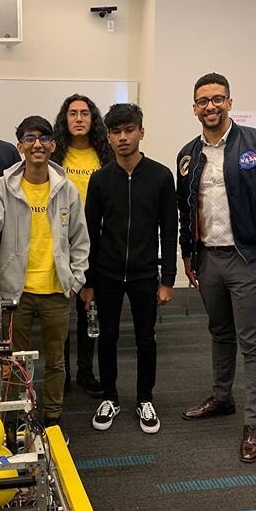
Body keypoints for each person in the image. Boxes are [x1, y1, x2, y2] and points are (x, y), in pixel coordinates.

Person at [177, 73, 256, 462]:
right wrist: (187, 254)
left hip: (248, 257)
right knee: (220, 332)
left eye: (217, 99)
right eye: (203, 100)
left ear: (230, 102)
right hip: (208, 258)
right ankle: (221, 397)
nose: (210, 106)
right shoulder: (187, 155)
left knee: (253, 342)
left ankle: (255, 423)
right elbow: (186, 211)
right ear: (194, 107)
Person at [0, 116, 89, 434]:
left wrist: (75, 280)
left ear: (52, 145)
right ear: (20, 146)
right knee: (14, 360)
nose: (37, 144)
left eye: (43, 138)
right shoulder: (3, 186)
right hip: (15, 292)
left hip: (57, 290)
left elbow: (80, 239)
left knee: (56, 360)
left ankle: (52, 419)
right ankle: (21, 416)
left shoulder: (66, 189)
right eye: (29, 138)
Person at [85, 103, 177, 435]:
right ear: (108, 137)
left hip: (143, 274)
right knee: (106, 338)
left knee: (145, 339)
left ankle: (144, 398)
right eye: (115, 132)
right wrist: (88, 281)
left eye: (128, 130)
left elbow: (169, 230)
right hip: (107, 274)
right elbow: (90, 233)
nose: (122, 138)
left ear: (141, 131)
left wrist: (168, 279)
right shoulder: (100, 180)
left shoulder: (161, 176)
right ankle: (110, 396)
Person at [51, 93, 113, 398]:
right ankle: (60, 372)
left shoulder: (106, 156)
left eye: (84, 113)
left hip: (98, 244)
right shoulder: (54, 157)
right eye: (72, 113)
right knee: (61, 311)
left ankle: (86, 371)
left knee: (90, 310)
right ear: (65, 119)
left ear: (93, 120)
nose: (78, 118)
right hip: (61, 243)